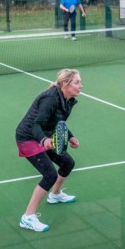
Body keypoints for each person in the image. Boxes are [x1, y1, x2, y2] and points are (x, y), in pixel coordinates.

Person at [15, 69, 83, 232]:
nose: (81, 86)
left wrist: (69, 136)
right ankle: (28, 217)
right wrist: (43, 140)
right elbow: (36, 124)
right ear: (65, 84)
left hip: (45, 136)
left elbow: (58, 122)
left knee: (67, 162)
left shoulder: (68, 99)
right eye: (77, 82)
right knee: (50, 175)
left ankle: (55, 194)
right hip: (28, 137)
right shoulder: (50, 99)